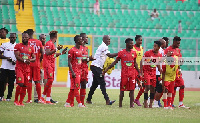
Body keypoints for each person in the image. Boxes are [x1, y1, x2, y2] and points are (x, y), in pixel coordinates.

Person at [103, 38, 141, 108]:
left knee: (132, 90)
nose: (132, 45)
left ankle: (131, 105)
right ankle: (120, 105)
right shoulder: (121, 52)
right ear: (127, 44)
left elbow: (135, 63)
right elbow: (115, 62)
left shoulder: (134, 52)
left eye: (132, 43)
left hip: (132, 74)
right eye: (131, 43)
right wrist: (106, 69)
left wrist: (139, 72)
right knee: (122, 90)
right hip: (124, 75)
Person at [86, 35, 118, 105]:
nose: (109, 41)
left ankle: (88, 99)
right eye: (108, 40)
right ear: (104, 40)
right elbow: (110, 55)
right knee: (102, 83)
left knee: (95, 84)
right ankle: (107, 100)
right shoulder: (104, 46)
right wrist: (119, 53)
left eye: (109, 40)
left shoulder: (104, 46)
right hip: (96, 66)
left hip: (96, 67)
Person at [64, 35, 95, 107]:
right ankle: (79, 103)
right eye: (82, 40)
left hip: (80, 70)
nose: (83, 41)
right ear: (78, 41)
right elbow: (69, 62)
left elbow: (80, 60)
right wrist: (72, 72)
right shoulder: (72, 50)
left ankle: (67, 103)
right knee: (76, 87)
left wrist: (88, 59)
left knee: (73, 88)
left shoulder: (80, 50)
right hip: (75, 71)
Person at [40, 31, 67, 104]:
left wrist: (61, 53)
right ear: (56, 37)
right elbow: (48, 53)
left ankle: (48, 99)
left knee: (50, 81)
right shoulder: (49, 43)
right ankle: (42, 97)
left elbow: (53, 55)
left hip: (51, 64)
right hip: (48, 64)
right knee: (50, 80)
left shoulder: (51, 44)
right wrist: (57, 49)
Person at [164, 36, 189, 108]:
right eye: (177, 43)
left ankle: (180, 103)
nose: (178, 44)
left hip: (177, 71)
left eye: (179, 43)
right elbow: (165, 60)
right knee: (172, 87)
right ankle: (170, 103)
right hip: (170, 72)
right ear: (174, 42)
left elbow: (180, 61)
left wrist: (180, 67)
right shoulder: (168, 49)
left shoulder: (178, 50)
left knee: (182, 85)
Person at [14, 32, 36, 106]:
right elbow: (17, 56)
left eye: (26, 37)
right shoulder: (18, 46)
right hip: (19, 68)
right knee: (20, 83)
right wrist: (24, 60)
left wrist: (30, 60)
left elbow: (34, 58)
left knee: (25, 86)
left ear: (28, 38)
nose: (24, 38)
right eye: (23, 37)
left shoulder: (31, 48)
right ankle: (16, 100)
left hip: (27, 69)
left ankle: (21, 102)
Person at [141, 41, 162, 108]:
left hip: (153, 73)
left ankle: (150, 103)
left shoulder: (159, 55)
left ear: (159, 47)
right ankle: (145, 102)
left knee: (153, 88)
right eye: (154, 46)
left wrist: (160, 70)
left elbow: (158, 64)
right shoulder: (148, 53)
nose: (154, 47)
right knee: (147, 87)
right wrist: (141, 72)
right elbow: (142, 61)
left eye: (155, 46)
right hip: (146, 72)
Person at [24, 29, 44, 103]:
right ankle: (39, 98)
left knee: (29, 81)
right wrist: (39, 60)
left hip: (29, 63)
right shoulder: (38, 42)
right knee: (37, 81)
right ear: (33, 33)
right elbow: (42, 52)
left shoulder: (27, 42)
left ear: (27, 35)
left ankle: (29, 99)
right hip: (36, 64)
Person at [0, 33, 17, 101]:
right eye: (11, 37)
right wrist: (7, 58)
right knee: (2, 82)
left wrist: (15, 62)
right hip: (4, 67)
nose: (12, 39)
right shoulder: (4, 45)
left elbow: (19, 56)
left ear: (16, 38)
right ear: (9, 38)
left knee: (11, 83)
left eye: (14, 37)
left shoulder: (17, 46)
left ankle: (9, 97)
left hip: (12, 68)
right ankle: (1, 96)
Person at [153, 39, 167, 108]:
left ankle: (154, 102)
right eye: (165, 43)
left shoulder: (161, 50)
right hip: (158, 72)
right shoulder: (160, 51)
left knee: (157, 88)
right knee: (159, 88)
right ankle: (154, 103)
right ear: (162, 44)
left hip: (158, 71)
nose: (166, 44)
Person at [132, 35, 144, 106]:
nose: (140, 41)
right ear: (136, 40)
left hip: (140, 69)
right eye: (139, 40)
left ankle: (137, 99)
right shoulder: (132, 48)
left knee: (143, 86)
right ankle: (132, 102)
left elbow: (142, 60)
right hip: (133, 69)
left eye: (141, 40)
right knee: (133, 87)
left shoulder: (142, 48)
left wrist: (142, 71)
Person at [79, 33, 89, 106]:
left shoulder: (86, 48)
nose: (87, 38)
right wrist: (88, 59)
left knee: (84, 85)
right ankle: (71, 102)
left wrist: (88, 59)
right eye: (86, 37)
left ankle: (82, 103)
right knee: (76, 86)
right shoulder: (78, 48)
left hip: (85, 69)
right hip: (79, 69)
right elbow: (79, 59)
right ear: (82, 38)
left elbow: (85, 59)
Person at [0, 27, 10, 100]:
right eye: (0, 32)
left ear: (6, 33)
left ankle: (2, 95)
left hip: (6, 65)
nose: (1, 33)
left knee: (4, 81)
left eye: (3, 32)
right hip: (0, 64)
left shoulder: (9, 41)